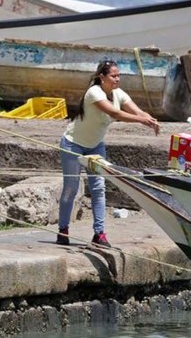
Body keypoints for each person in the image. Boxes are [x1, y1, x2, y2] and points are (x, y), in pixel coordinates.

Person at [57, 60, 159, 247]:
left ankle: (99, 234)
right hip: (72, 144)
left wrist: (149, 118)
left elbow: (137, 111)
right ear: (101, 77)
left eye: (118, 75)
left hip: (96, 146)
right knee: (71, 188)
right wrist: (141, 121)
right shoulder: (94, 93)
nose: (117, 79)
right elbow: (116, 114)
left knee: (98, 188)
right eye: (113, 76)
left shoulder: (119, 94)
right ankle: (63, 230)